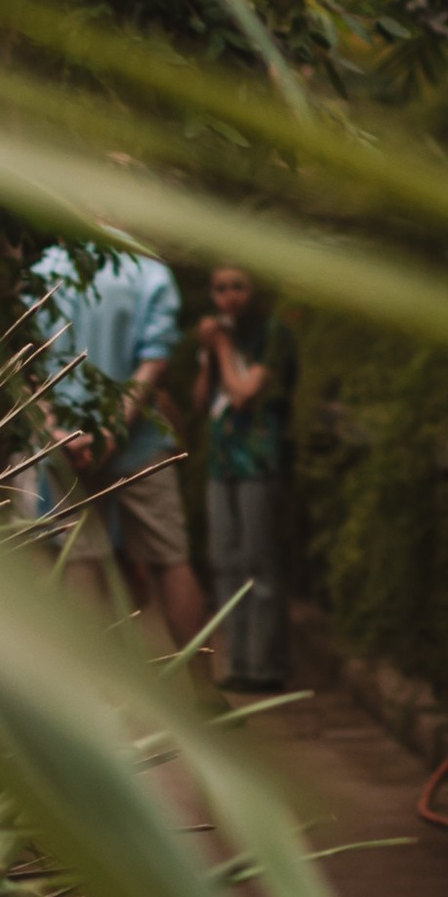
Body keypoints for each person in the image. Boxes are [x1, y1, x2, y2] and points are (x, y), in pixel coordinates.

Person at [30, 238, 207, 648]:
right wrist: (113, 428)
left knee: (80, 557)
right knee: (170, 559)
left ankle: (95, 694)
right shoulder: (149, 273)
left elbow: (32, 362)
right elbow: (154, 362)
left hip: (65, 444)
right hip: (139, 442)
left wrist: (57, 431)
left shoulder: (43, 269)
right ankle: (205, 695)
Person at [194, 263, 298, 693]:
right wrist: (208, 356)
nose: (228, 297)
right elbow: (202, 402)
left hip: (259, 460)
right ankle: (236, 663)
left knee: (259, 562)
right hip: (221, 463)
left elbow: (244, 394)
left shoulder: (272, 334)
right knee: (225, 562)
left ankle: (264, 666)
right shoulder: (221, 336)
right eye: (219, 289)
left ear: (254, 290)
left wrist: (221, 347)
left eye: (237, 287)